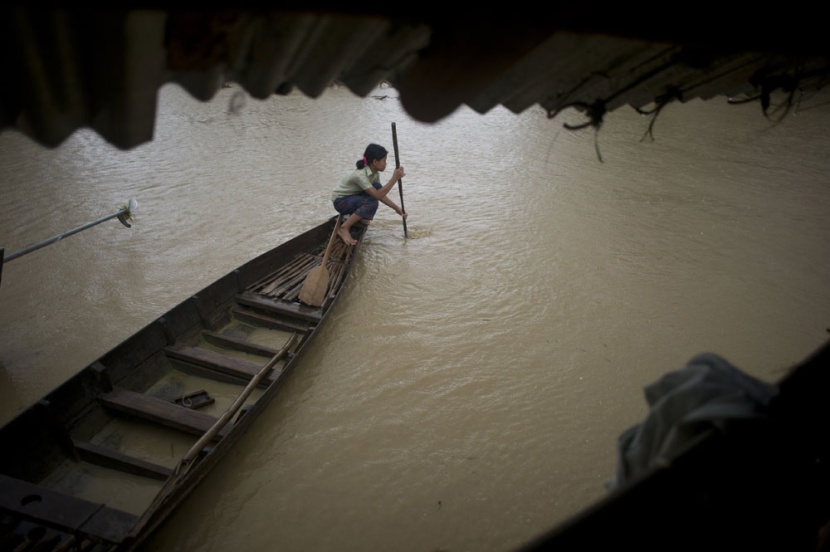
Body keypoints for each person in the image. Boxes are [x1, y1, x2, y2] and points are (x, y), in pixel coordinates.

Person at [331, 143, 407, 246]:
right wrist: (394, 178)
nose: (386, 163)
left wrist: (396, 208)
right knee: (371, 203)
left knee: (376, 186)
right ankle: (344, 228)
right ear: (375, 162)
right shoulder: (360, 175)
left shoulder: (374, 173)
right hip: (340, 201)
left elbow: (381, 193)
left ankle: (359, 217)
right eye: (384, 161)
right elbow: (377, 196)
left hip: (352, 197)